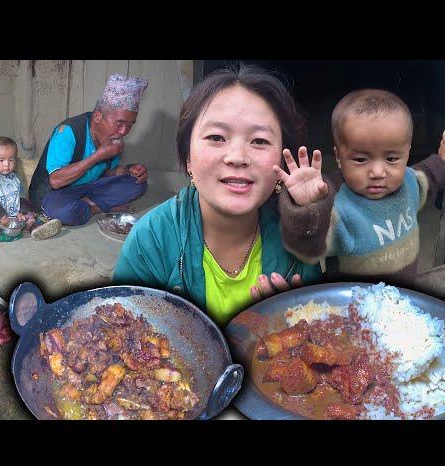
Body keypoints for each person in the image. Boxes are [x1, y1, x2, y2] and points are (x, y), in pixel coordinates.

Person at [113, 66, 322, 328]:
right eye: (216, 137)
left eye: (259, 141)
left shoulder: (296, 242)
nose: (237, 156)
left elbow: (318, 342)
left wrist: (283, 334)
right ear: (188, 157)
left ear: (281, 159)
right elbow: (119, 340)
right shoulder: (151, 240)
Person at [276, 89, 445, 288]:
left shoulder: (409, 182)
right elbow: (308, 248)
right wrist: (305, 208)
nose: (377, 171)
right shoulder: (334, 203)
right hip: (353, 306)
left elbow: (429, 174)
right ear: (338, 157)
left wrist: (442, 160)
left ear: (407, 153)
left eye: (391, 159)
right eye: (360, 159)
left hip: (402, 301)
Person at [28, 74, 149, 225]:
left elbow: (106, 171)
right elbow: (56, 181)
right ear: (98, 117)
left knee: (138, 184)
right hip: (55, 193)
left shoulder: (113, 138)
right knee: (60, 210)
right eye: (119, 124)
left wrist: (129, 170)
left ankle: (88, 205)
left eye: (130, 125)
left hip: (87, 187)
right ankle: (96, 207)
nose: (124, 131)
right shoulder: (67, 131)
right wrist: (97, 156)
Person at [0, 136, 61, 238]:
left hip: (13, 213)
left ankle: (34, 228)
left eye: (11, 160)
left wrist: (21, 211)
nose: (7, 164)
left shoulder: (15, 178)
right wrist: (0, 215)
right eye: (1, 160)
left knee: (29, 215)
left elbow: (22, 196)